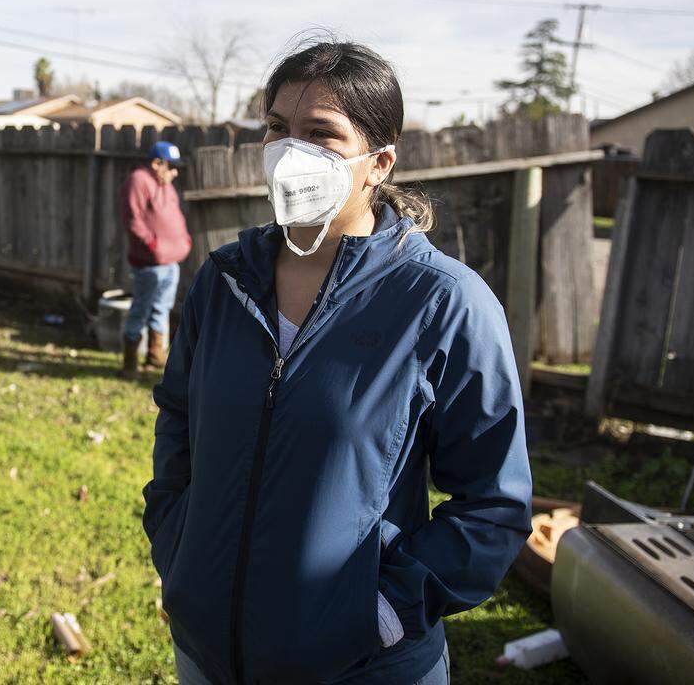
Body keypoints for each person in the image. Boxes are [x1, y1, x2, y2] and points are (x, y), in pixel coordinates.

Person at [142, 41, 532, 684]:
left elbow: (493, 503)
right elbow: (180, 419)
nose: (291, 153)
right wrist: (176, 545)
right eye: (277, 129)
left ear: (378, 162)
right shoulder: (225, 280)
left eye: (322, 135)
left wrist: (380, 614)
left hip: (362, 667)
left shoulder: (442, 302)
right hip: (206, 654)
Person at [119, 140, 192, 379]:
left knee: (162, 309)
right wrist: (152, 245)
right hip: (149, 264)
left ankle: (155, 356)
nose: (175, 172)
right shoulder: (139, 180)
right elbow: (133, 220)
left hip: (171, 262)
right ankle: (130, 363)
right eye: (170, 166)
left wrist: (183, 240)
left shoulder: (166, 185)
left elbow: (174, 216)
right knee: (140, 310)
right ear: (156, 163)